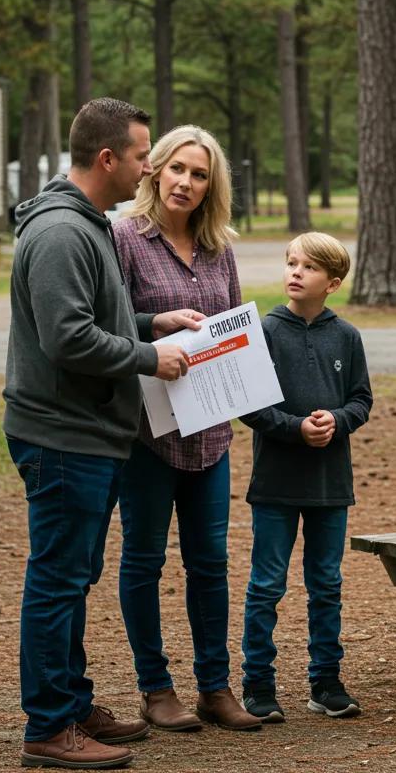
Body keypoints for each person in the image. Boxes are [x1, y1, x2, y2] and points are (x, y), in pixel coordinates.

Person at [4, 98, 202, 770]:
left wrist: (152, 322)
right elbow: (66, 338)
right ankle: (48, 729)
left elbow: (95, 318)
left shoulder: (89, 224)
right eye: (144, 154)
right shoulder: (62, 232)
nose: (150, 166)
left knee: (72, 577)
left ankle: (71, 702)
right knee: (58, 580)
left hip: (87, 434)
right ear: (109, 158)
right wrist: (150, 357)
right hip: (63, 435)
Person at [112, 124, 261, 733]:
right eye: (177, 169)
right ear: (156, 170)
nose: (186, 183)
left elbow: (233, 333)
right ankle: (155, 688)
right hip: (146, 434)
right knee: (143, 561)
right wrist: (156, 322)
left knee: (210, 563)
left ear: (211, 186)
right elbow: (110, 322)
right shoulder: (124, 237)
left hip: (210, 433)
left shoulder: (219, 248)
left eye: (199, 175)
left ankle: (215, 686)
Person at [239, 233, 373, 723]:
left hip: (330, 486)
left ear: (332, 283)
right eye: (291, 262)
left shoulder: (348, 337)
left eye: (309, 267)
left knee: (326, 583)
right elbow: (249, 405)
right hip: (275, 483)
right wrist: (295, 429)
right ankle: (257, 684)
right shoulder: (264, 331)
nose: (296, 272)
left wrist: (337, 421)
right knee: (267, 584)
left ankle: (326, 680)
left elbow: (361, 399)